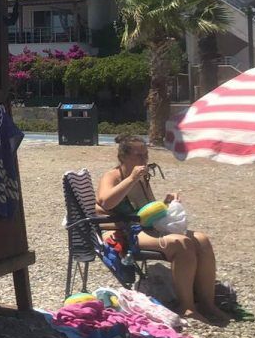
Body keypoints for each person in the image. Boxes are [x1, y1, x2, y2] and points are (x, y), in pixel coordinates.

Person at [96, 135, 228, 325]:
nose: (144, 159)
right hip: (123, 230)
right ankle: (187, 307)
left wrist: (165, 203)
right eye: (138, 155)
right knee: (181, 244)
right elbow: (106, 202)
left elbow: (147, 209)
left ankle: (207, 303)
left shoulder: (142, 178)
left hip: (143, 226)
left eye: (146, 155)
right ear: (123, 157)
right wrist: (131, 179)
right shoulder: (113, 176)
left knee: (202, 239)